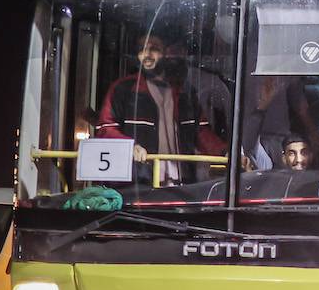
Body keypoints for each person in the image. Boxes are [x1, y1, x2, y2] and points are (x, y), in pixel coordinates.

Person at [96, 33, 227, 185]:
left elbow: (201, 132)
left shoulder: (184, 92)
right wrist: (129, 146)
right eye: (141, 49)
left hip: (181, 179)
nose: (147, 55)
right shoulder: (123, 89)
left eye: (154, 49)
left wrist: (225, 152)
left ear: (166, 53)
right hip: (141, 178)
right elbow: (105, 127)